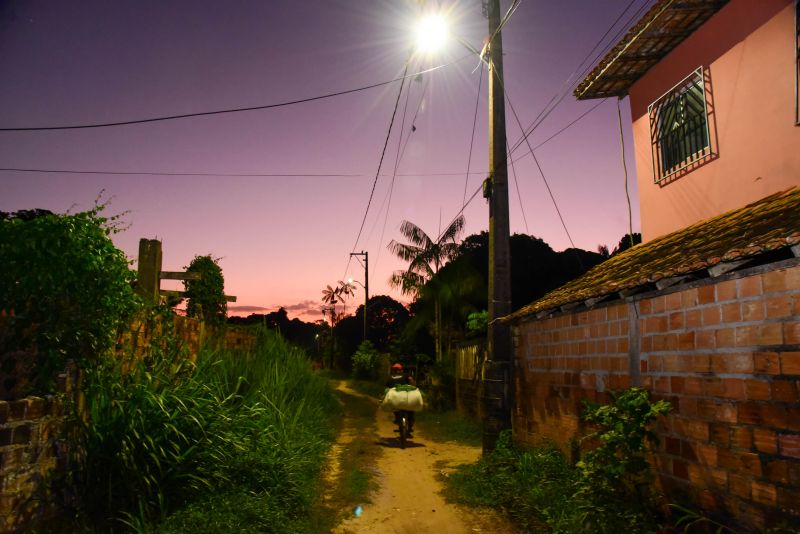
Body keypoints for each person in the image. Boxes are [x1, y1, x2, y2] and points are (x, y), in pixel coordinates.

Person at [386, 363, 416, 436]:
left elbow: (387, 387)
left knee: (395, 408)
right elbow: (411, 380)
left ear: (393, 370)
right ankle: (410, 423)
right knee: (411, 410)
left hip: (395, 398)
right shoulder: (406, 375)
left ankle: (397, 419)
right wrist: (413, 386)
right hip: (405, 396)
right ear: (401, 370)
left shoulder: (390, 377)